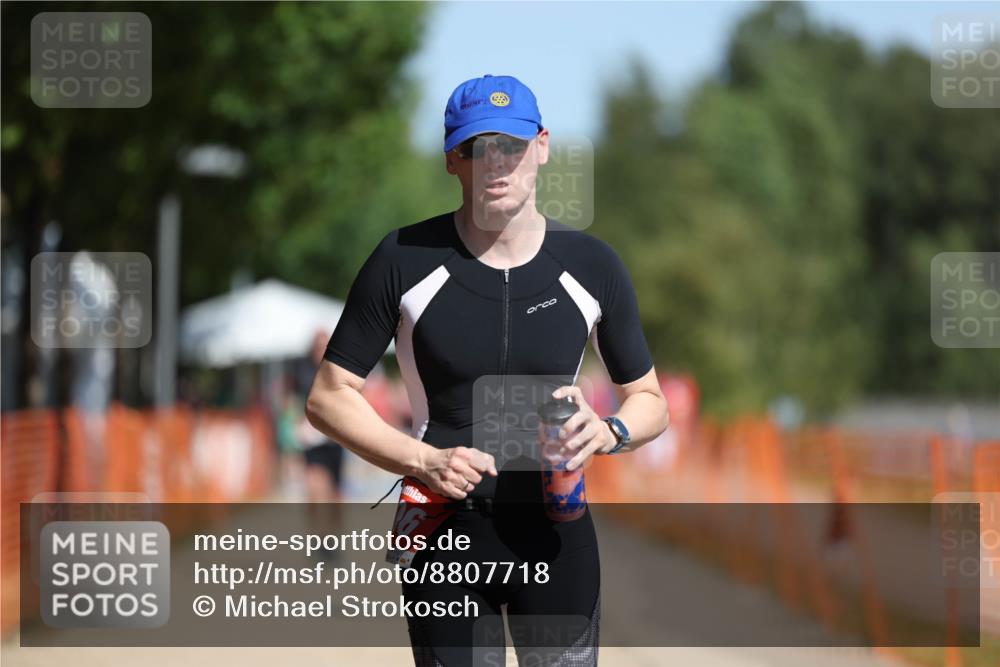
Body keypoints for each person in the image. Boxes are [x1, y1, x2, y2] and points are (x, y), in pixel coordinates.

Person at [307, 74, 668, 666]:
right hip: (445, 536)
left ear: (543, 146)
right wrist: (423, 460)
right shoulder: (403, 258)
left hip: (557, 536)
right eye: (478, 148)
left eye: (512, 145)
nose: (496, 163)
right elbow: (327, 397)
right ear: (454, 160)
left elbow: (650, 398)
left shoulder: (592, 264)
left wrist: (610, 432)